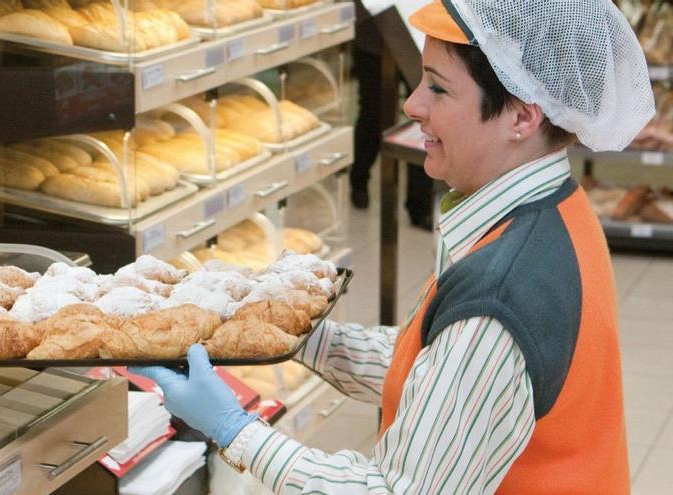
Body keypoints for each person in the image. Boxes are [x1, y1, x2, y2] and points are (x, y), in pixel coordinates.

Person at [133, 0, 654, 492]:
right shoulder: (559, 208)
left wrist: (232, 428)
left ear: (523, 116)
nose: (412, 104)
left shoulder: (498, 296)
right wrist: (286, 332)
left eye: (439, 89)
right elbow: (444, 375)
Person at [350, 0, 433, 230]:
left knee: (423, 117)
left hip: (418, 32)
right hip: (372, 33)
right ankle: (359, 181)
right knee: (372, 111)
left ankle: (419, 205)